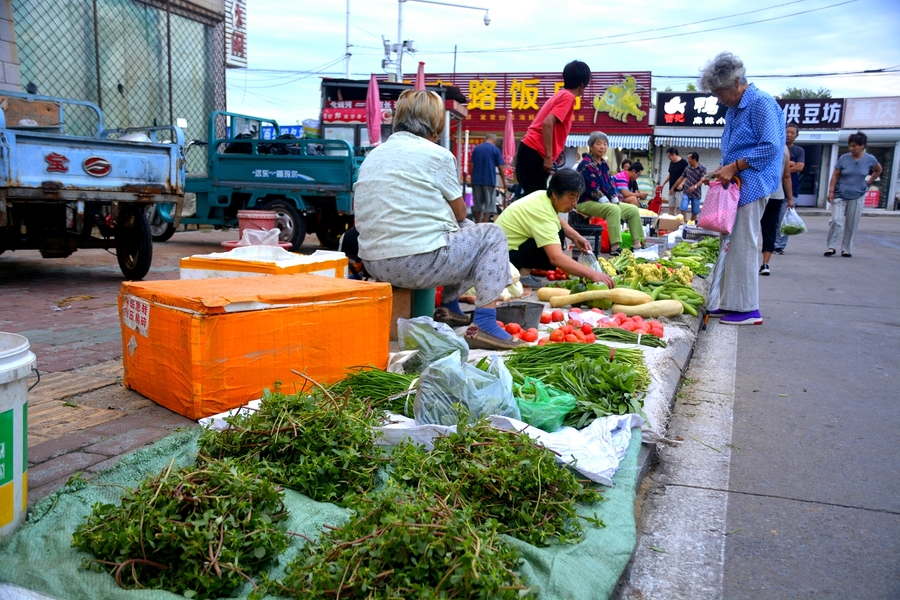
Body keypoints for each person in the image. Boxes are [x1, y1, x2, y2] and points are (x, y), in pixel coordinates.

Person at [353, 89, 520, 349]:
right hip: (414, 262)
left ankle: (449, 307)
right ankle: (485, 324)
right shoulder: (438, 155)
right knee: (490, 234)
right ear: (437, 125)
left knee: (461, 231)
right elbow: (461, 212)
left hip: (373, 261)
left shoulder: (373, 155)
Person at [700, 52, 785, 326]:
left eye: (720, 92)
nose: (718, 99)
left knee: (744, 244)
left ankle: (748, 308)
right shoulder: (736, 107)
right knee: (731, 244)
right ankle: (732, 303)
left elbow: (771, 146)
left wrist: (735, 167)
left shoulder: (761, 103)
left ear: (736, 83)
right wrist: (719, 171)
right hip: (737, 184)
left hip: (753, 183)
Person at [495, 169, 616, 287]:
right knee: (555, 237)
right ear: (555, 194)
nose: (574, 202)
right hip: (501, 260)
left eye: (577, 197)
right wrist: (593, 274)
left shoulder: (542, 196)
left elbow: (556, 220)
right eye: (571, 197)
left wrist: (576, 237)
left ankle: (524, 271)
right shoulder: (542, 213)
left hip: (504, 251)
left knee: (557, 230)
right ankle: (521, 275)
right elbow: (556, 258)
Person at [514, 60, 591, 195]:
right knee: (537, 202)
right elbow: (547, 123)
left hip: (529, 150)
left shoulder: (560, 94)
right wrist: (548, 157)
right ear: (582, 84)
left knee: (533, 199)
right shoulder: (568, 97)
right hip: (535, 152)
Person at [574, 131, 645, 255]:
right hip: (585, 202)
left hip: (603, 202)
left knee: (633, 210)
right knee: (613, 210)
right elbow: (592, 189)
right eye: (599, 144)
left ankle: (637, 246)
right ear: (591, 146)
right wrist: (609, 203)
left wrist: (615, 200)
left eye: (605, 144)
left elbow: (610, 185)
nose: (603, 147)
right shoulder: (586, 164)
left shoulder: (604, 165)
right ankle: (615, 247)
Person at [825, 131, 882, 258]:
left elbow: (878, 170)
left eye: (854, 145)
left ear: (862, 146)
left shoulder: (870, 159)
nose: (852, 148)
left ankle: (846, 249)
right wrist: (831, 191)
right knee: (836, 220)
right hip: (840, 194)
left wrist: (868, 182)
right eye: (850, 145)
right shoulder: (843, 158)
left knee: (852, 223)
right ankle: (831, 246)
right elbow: (835, 175)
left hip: (857, 194)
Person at [758, 146, 791, 276]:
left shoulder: (761, 141)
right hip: (776, 194)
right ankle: (765, 263)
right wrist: (790, 198)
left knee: (750, 228)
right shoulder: (784, 148)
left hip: (756, 193)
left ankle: (747, 263)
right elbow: (786, 175)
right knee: (770, 229)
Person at [774, 124, 804, 254]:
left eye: (792, 133)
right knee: (774, 220)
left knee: (783, 220)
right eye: (787, 132)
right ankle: (772, 244)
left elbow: (800, 167)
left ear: (796, 135)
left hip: (791, 190)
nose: (789, 135)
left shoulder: (798, 151)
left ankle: (779, 246)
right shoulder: (777, 147)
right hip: (775, 190)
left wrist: (784, 168)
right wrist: (791, 163)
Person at [470, 133, 506, 223]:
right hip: (489, 181)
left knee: (477, 204)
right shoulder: (495, 149)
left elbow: (471, 165)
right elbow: (500, 167)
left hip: (476, 181)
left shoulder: (477, 149)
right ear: (494, 141)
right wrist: (504, 181)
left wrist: (472, 178)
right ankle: (485, 225)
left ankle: (478, 223)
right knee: (489, 205)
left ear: (485, 139)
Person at [673, 152, 707, 222]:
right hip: (686, 192)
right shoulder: (687, 168)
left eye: (689, 158)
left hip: (696, 194)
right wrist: (673, 187)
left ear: (694, 159)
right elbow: (681, 178)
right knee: (683, 208)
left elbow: (702, 180)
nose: (688, 160)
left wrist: (694, 187)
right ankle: (683, 223)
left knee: (694, 212)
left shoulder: (702, 169)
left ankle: (691, 224)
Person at [660, 148, 689, 216]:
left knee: (679, 208)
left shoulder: (683, 162)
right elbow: (670, 174)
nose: (669, 158)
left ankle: (679, 223)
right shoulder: (672, 163)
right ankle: (671, 221)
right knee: (671, 207)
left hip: (680, 189)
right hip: (671, 188)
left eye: (669, 156)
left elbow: (687, 176)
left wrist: (682, 184)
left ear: (674, 154)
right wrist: (663, 183)